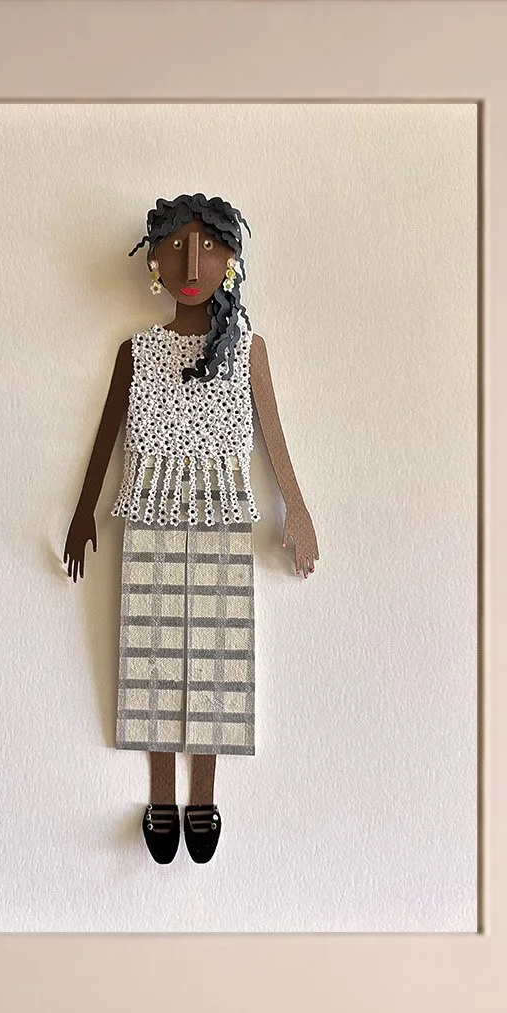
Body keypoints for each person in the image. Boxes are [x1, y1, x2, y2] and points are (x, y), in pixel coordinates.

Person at [63, 191, 318, 865]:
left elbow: (272, 436)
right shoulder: (137, 352)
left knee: (214, 652)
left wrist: (296, 506)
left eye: (207, 246)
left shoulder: (247, 350)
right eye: (175, 246)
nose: (191, 260)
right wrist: (84, 507)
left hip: (223, 511)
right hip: (146, 506)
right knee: (146, 647)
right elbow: (108, 433)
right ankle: (158, 794)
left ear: (231, 260)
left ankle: (201, 796)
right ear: (153, 261)